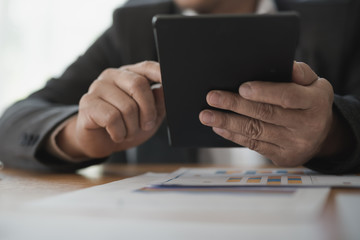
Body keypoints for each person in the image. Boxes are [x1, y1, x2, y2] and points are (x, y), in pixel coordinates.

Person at [0, 0, 359, 173]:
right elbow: (13, 124)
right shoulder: (132, 27)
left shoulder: (340, 17)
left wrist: (332, 132)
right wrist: (78, 136)